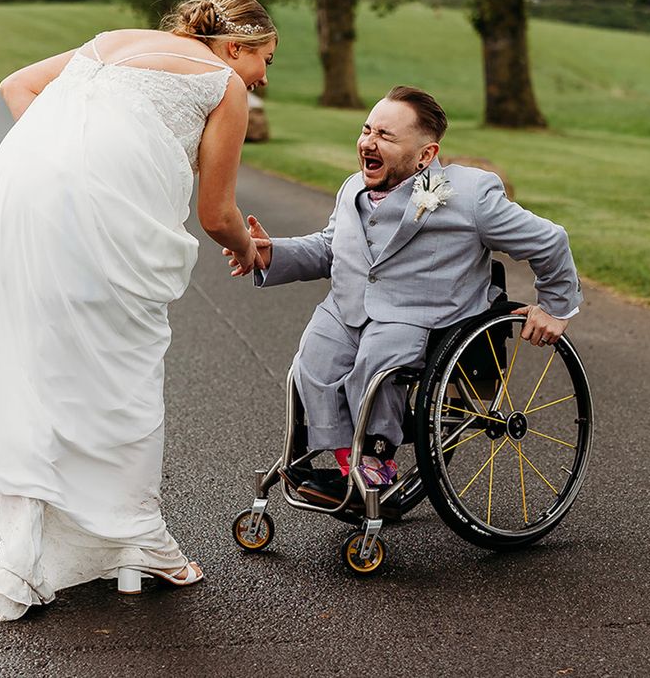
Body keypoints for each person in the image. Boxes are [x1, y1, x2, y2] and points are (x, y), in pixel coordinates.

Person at [0, 0, 276, 621]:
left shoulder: (113, 41)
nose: (260, 78)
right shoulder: (224, 83)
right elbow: (216, 212)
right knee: (123, 372)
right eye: (264, 60)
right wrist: (249, 249)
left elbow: (15, 87)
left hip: (21, 193)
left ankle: (28, 556)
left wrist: (70, 157)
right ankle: (138, 542)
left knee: (31, 361)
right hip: (106, 215)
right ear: (235, 47)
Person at [225, 85, 582, 507]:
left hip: (422, 315)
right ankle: (346, 461)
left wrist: (555, 308)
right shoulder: (351, 189)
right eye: (366, 130)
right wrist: (271, 254)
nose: (367, 143)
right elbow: (330, 247)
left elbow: (549, 240)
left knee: (375, 365)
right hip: (347, 309)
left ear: (426, 155)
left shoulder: (471, 196)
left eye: (385, 136)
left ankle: (375, 465)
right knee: (312, 363)